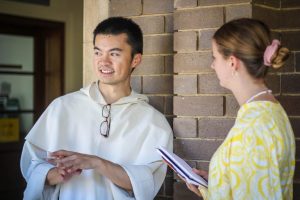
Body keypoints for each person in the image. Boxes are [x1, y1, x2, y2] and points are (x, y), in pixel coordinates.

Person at [20, 17, 173, 200]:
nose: (104, 62)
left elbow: (146, 184)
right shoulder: (62, 107)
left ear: (135, 60)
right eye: (98, 52)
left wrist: (97, 163)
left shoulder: (153, 122)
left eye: (114, 54)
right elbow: (32, 165)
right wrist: (56, 173)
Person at [184, 18, 295, 199]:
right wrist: (218, 181)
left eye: (215, 57)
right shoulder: (268, 112)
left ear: (232, 62)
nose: (212, 65)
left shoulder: (255, 128)